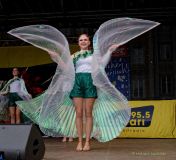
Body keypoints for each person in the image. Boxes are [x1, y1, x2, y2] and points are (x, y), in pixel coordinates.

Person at [8, 17, 159, 151]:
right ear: (78, 43)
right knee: (78, 114)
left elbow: (101, 66)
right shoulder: (74, 56)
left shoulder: (94, 55)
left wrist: (109, 51)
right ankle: (79, 141)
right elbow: (66, 68)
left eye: (85, 39)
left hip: (90, 82)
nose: (83, 41)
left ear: (88, 41)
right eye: (80, 40)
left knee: (88, 114)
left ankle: (87, 142)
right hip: (77, 82)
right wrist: (55, 57)